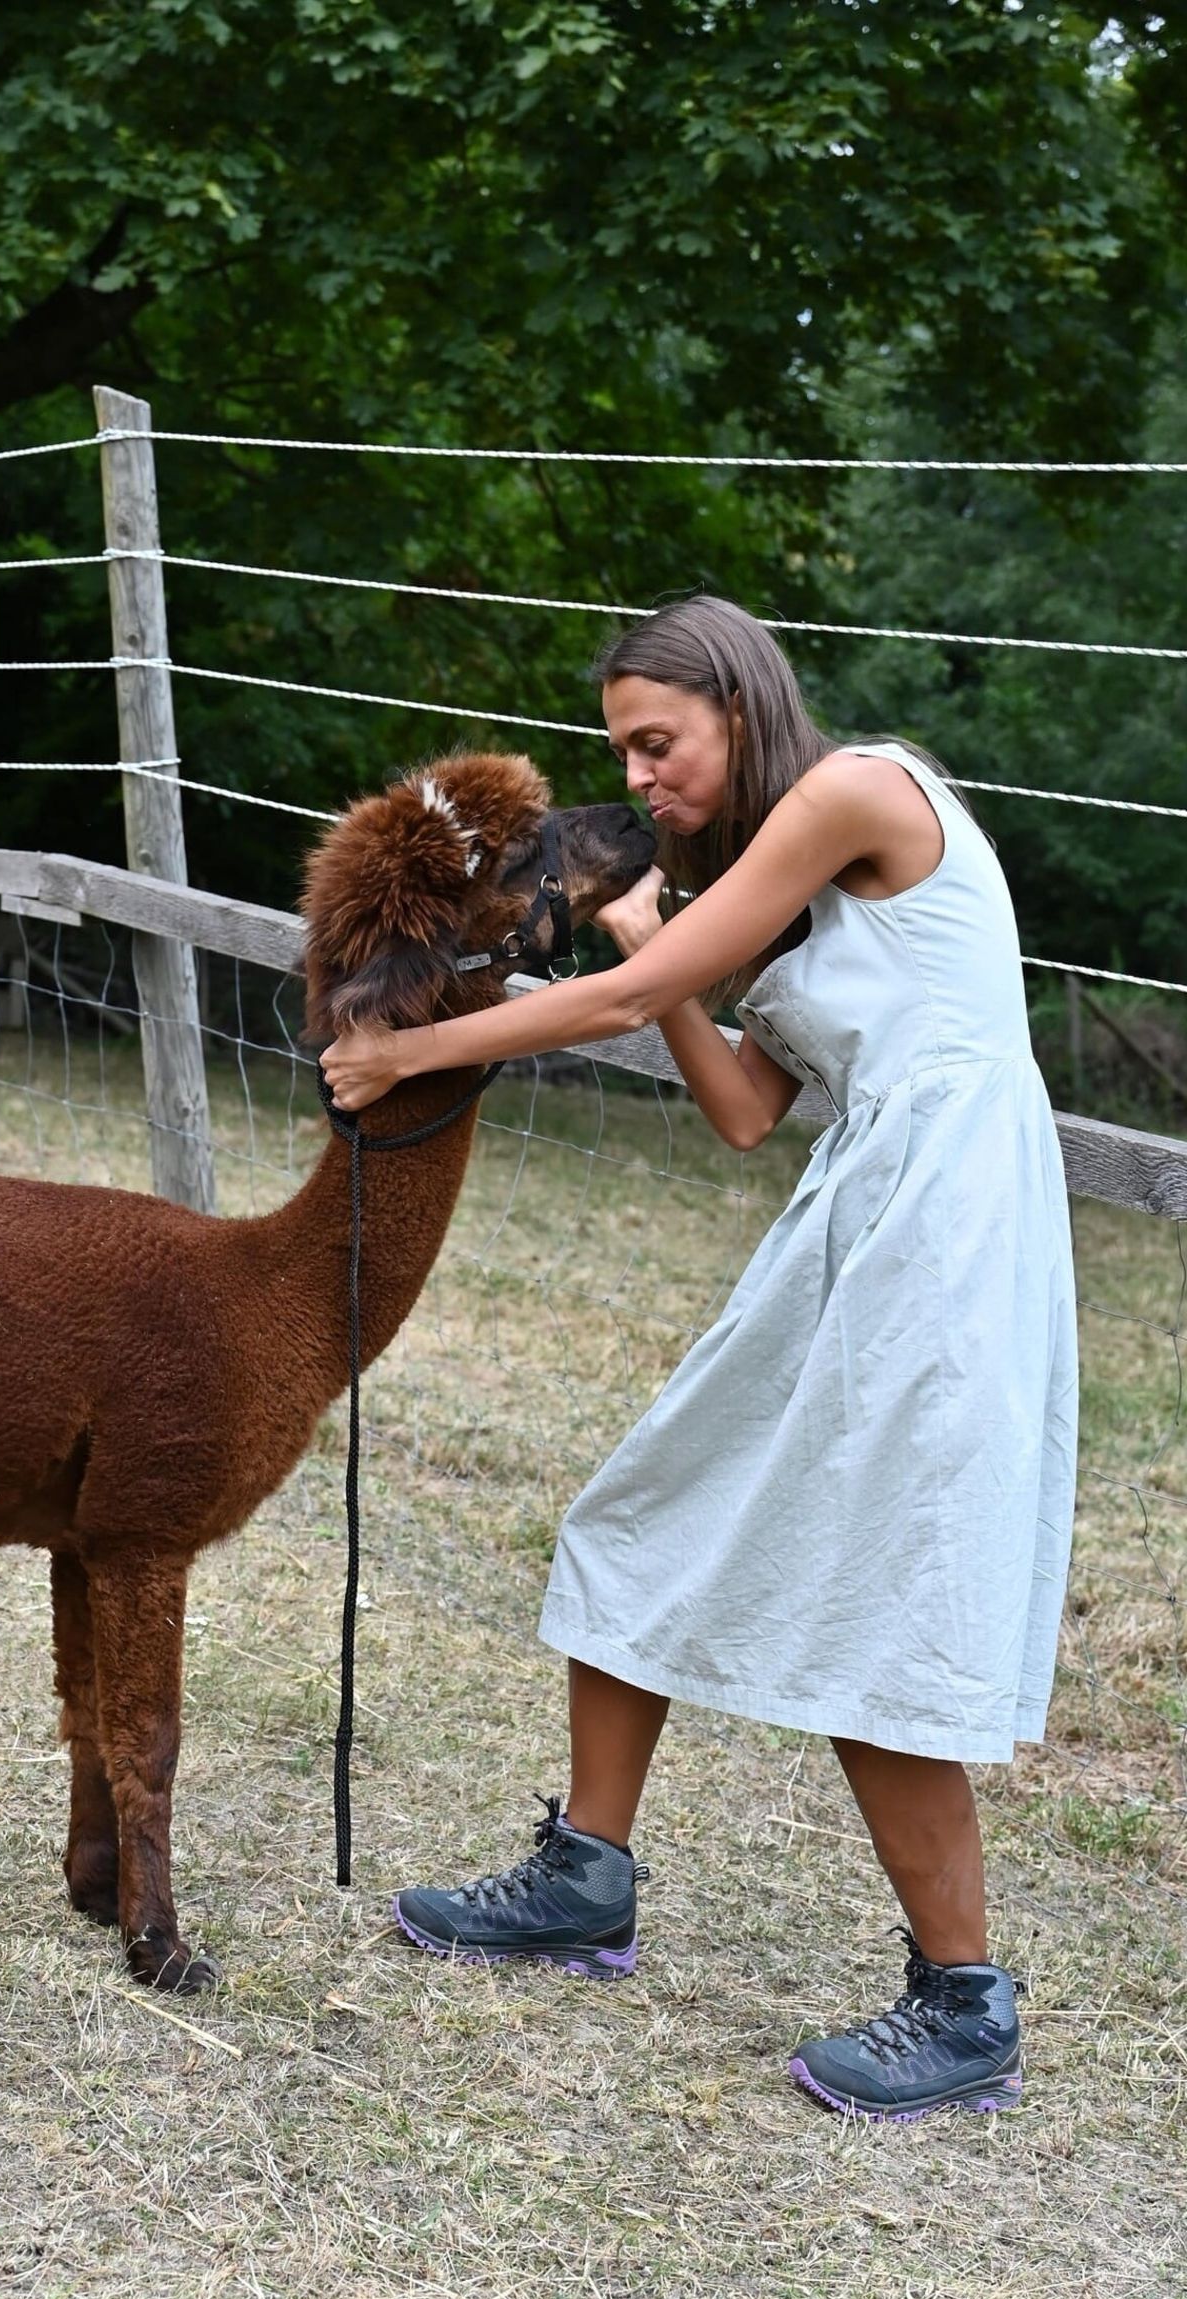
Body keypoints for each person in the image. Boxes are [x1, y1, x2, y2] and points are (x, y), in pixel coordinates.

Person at [318, 595, 1078, 2121]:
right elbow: (741, 1108)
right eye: (625, 749)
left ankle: (966, 2003)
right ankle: (587, 1877)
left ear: (737, 699)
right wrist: (657, 934)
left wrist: (411, 1047)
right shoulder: (792, 888)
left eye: (656, 742)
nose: (642, 775)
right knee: (641, 1500)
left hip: (949, 1223)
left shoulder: (861, 787)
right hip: (863, 1204)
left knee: (889, 1592)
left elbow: (619, 1000)